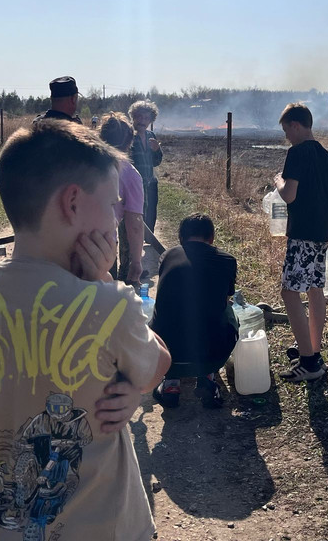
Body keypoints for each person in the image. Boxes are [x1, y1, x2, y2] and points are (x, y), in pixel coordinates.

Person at [0, 121, 171, 541]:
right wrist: (107, 281)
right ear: (72, 202)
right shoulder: (106, 303)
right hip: (100, 528)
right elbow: (158, 364)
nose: (114, 217)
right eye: (111, 203)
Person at [273, 104, 328, 382]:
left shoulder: (296, 153)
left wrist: (278, 181)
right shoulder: (326, 156)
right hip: (323, 231)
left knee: (289, 292)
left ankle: (309, 362)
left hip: (302, 233)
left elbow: (289, 195)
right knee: (314, 289)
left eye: (287, 129)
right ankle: (313, 351)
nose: (286, 135)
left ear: (296, 125)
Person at [150, 214, 238, 409]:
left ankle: (171, 385)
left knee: (164, 314)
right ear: (212, 238)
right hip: (212, 353)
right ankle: (208, 376)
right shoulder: (227, 260)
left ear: (181, 238)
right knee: (229, 311)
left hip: (166, 353)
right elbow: (223, 300)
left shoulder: (167, 256)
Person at [99, 112, 145, 283]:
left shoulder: (82, 164)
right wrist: (137, 261)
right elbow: (135, 224)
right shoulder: (130, 175)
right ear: (129, 142)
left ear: (101, 137)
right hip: (101, 249)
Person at [128, 100, 162, 232]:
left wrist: (156, 150)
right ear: (133, 117)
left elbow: (156, 162)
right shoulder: (128, 134)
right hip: (134, 184)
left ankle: (149, 242)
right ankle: (133, 246)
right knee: (134, 215)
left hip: (151, 183)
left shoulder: (151, 135)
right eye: (139, 117)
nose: (142, 121)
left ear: (151, 120)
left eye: (147, 118)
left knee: (150, 214)